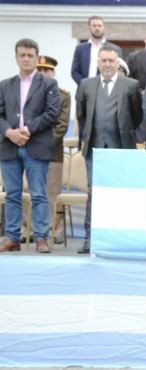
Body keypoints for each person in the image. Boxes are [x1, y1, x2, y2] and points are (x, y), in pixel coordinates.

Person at [75, 45, 143, 254]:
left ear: (118, 62)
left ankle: (120, 239)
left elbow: (137, 116)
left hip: (122, 150)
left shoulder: (130, 85)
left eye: (111, 61)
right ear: (98, 62)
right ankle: (89, 239)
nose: (107, 64)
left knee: (122, 195)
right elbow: (81, 115)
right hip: (95, 151)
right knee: (94, 194)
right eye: (103, 60)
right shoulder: (86, 85)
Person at [0, 38, 60, 253]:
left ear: (37, 58)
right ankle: (12, 237)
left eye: (30, 55)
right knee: (13, 194)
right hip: (9, 146)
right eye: (22, 55)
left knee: (39, 194)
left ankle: (41, 237)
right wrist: (9, 132)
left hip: (36, 146)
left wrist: (26, 131)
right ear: (16, 57)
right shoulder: (5, 85)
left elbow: (52, 113)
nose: (26, 59)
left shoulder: (49, 84)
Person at [21, 55, 70, 245]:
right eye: (39, 70)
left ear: (53, 73)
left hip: (51, 152)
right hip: (26, 150)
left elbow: (61, 126)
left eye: (46, 70)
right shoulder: (25, 93)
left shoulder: (63, 95)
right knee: (27, 190)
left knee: (51, 192)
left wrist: (40, 142)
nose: (42, 73)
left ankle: (52, 231)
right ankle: (27, 229)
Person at [71, 15, 122, 87]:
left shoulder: (115, 49)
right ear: (89, 28)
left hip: (107, 90)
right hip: (85, 90)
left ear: (103, 27)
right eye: (94, 26)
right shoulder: (80, 49)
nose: (97, 28)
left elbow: (119, 71)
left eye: (99, 26)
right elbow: (74, 72)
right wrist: (84, 85)